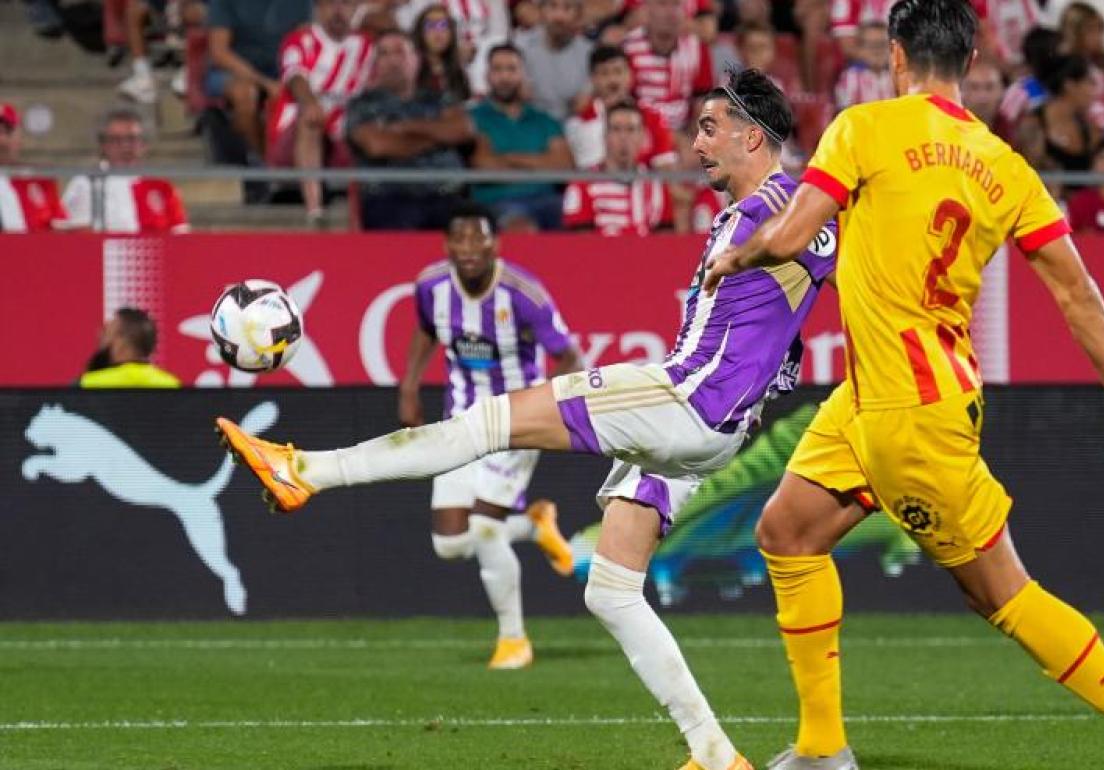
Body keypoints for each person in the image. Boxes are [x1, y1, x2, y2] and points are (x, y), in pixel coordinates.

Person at [218, 68, 834, 770]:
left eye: (709, 128)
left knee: (485, 423)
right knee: (610, 588)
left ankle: (305, 471)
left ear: (754, 136)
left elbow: (811, 232)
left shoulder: (787, 205)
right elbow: (796, 290)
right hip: (708, 426)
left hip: (683, 400)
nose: (694, 143)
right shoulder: (759, 215)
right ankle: (716, 754)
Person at [702, 1, 1104, 769]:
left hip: (910, 415)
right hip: (876, 396)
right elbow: (1078, 291)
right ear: (972, 65)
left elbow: (788, 234)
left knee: (1000, 593)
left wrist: (733, 258)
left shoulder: (862, 129)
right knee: (786, 533)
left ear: (897, 56)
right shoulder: (1006, 166)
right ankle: (821, 750)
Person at [398, 202, 582, 668]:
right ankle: (535, 523)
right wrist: (409, 386)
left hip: (515, 423)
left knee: (482, 529)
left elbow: (567, 355)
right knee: (449, 543)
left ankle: (514, 640)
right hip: (460, 421)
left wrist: (549, 407)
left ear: (494, 243)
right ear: (447, 245)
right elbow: (425, 331)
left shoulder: (523, 294)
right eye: (459, 239)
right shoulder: (431, 286)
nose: (468, 249)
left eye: (477, 238)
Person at [345, 30, 473, 230]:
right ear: (375, 64)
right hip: (389, 198)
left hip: (447, 195)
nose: (392, 61)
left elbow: (461, 130)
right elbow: (378, 146)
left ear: (417, 60)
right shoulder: (361, 105)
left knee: (480, 224)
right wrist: (438, 136)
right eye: (384, 54)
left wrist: (405, 128)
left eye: (400, 53)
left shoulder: (440, 99)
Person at [268, 0, 374, 223]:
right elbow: (295, 77)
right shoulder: (299, 40)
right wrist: (309, 102)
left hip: (345, 131)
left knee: (369, 127)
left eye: (345, 4)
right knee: (311, 119)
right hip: (294, 134)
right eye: (330, 4)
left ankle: (362, 214)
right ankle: (314, 209)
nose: (337, 11)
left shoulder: (366, 45)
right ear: (317, 8)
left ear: (355, 9)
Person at [469, 43, 574, 231]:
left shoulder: (544, 120)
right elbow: (485, 166)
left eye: (512, 69)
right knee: (522, 226)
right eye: (498, 69)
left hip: (548, 200)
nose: (505, 77)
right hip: (497, 202)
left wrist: (509, 159)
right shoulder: (474, 117)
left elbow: (564, 166)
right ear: (487, 75)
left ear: (523, 74)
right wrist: (540, 164)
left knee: (580, 219)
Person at [206, 0, 312, 164]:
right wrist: (265, 83)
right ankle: (264, 162)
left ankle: (299, 162)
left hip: (283, 69)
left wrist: (290, 78)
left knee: (308, 92)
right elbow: (219, 53)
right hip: (232, 70)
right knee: (245, 94)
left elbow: (304, 45)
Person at [62, 108, 189, 234]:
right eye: (116, 139)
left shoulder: (161, 186)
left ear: (143, 144)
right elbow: (74, 236)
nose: (125, 146)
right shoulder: (85, 183)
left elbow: (180, 235)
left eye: (132, 139)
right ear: (103, 144)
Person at [562, 101, 673, 235]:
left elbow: (666, 242)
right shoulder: (582, 184)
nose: (623, 137)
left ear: (642, 136)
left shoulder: (657, 185)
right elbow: (579, 246)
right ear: (605, 136)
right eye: (616, 129)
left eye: (631, 129)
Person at [564, 44, 677, 170]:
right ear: (593, 79)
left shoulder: (653, 117)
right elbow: (588, 173)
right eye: (604, 73)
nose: (613, 80)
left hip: (645, 186)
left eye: (618, 71)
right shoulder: (579, 122)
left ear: (630, 75)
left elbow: (665, 169)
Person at [620, 0, 714, 131]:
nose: (671, 12)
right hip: (640, 132)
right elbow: (624, 102)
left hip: (686, 134)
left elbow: (702, 102)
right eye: (662, 4)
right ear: (647, 9)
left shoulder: (697, 48)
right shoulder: (628, 48)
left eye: (676, 4)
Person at [1014, 54, 1102, 170]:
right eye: (1090, 83)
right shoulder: (1032, 124)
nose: (1095, 91)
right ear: (1069, 85)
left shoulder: (1090, 129)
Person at [514, 0, 594, 121]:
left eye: (567, 8)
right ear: (541, 11)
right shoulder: (520, 48)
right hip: (530, 125)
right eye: (552, 6)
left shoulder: (590, 54)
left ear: (578, 15)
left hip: (573, 129)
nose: (559, 16)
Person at [0, 103, 69, 233]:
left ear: (19, 138)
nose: (1, 140)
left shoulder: (40, 179)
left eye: (7, 131)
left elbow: (60, 226)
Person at [81, 308, 181, 388]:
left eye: (106, 332)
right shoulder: (171, 385)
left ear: (121, 342)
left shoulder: (88, 384)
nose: (99, 336)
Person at [412, 4, 472, 104]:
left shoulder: (459, 71)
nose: (438, 32)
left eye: (443, 25)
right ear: (420, 32)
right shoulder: (412, 70)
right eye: (430, 26)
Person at [833, 20, 895, 112]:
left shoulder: (896, 78)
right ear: (860, 48)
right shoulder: (851, 78)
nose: (876, 51)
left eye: (882, 44)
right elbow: (843, 113)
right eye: (871, 45)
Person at [961, 58, 1007, 134]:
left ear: (1001, 92)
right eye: (974, 87)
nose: (982, 97)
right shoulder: (948, 127)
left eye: (989, 87)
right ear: (962, 92)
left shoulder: (1016, 131)